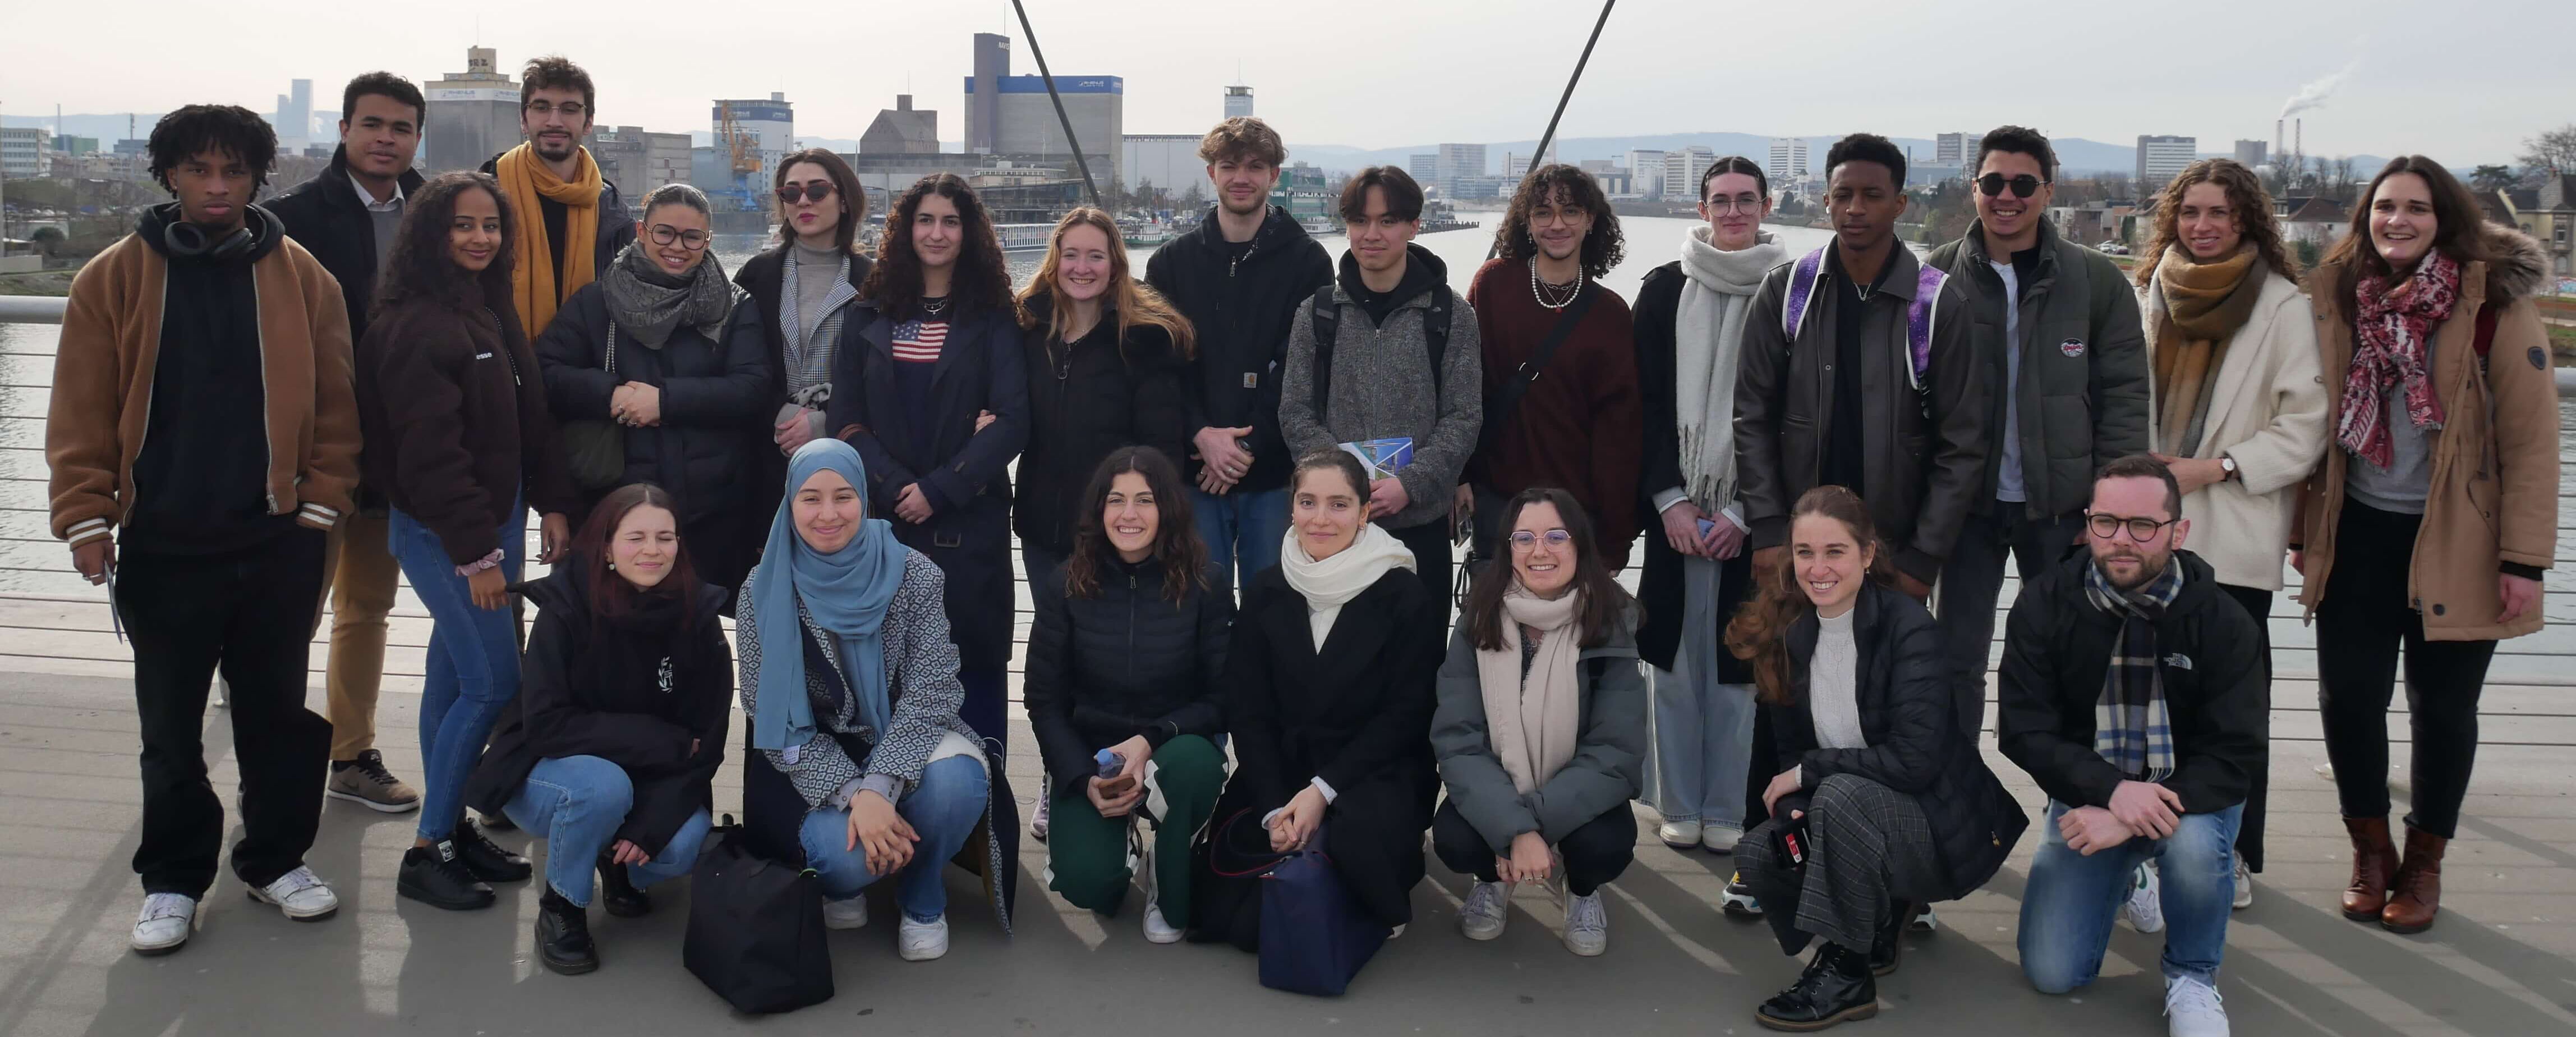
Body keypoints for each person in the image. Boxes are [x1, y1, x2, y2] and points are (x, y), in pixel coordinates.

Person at [48, 104, 359, 954]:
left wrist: (321, 507)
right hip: (162, 542)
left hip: (277, 540)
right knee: (170, 727)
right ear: (171, 176)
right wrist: (85, 515)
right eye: (198, 172)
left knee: (277, 719)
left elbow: (337, 407)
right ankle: (175, 880)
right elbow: (79, 410)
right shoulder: (112, 279)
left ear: (259, 178)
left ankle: (272, 860)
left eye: (233, 173)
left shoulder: (305, 279)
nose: (216, 189)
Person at [2295, 157, 2560, 935]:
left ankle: (2425, 862)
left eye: (2415, 207)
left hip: (2462, 540)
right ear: (2365, 216)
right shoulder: (2339, 296)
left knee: (2443, 710)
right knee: (2349, 698)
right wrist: (2301, 529)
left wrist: (2525, 562)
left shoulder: (2492, 305)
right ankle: (2368, 849)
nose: (2397, 221)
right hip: (2360, 530)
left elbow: (2532, 442)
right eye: (2384, 207)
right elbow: (2310, 422)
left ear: (2445, 217)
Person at [1723, 485, 2027, 1032]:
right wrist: (1794, 807)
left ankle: (1846, 971)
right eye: (1804, 552)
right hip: (1859, 821)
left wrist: (1806, 775)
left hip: (1935, 828)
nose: (1817, 568)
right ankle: (1877, 918)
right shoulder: (1790, 635)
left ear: (1866, 554)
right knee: (1766, 852)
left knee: (1837, 794)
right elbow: (1794, 752)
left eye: (1834, 552)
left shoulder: (1909, 630)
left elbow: (1913, 762)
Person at [356, 171, 578, 910]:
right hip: (445, 531)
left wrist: (549, 502)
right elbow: (428, 457)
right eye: (462, 225)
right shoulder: (414, 325)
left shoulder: (486, 309)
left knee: (454, 675)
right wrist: (478, 555)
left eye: (491, 225)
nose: (480, 238)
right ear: (430, 234)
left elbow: (530, 418)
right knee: (494, 682)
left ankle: (448, 826)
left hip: (499, 517)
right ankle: (428, 851)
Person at [1999, 456, 2266, 1037]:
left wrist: (2136, 811)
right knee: (2051, 971)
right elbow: (2023, 731)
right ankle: (2132, 877)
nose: (2121, 540)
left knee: (2195, 847)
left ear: (2178, 531)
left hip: (2189, 796)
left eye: (2142, 525)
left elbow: (2235, 754)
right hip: (2088, 793)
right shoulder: (2044, 605)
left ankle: (2192, 976)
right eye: (2106, 522)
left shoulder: (2225, 621)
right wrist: (2111, 793)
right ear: (2087, 524)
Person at [2132, 158, 2327, 907]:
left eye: (2220, 213)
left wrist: (2213, 467)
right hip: (2146, 536)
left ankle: (2234, 852)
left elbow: (2305, 427)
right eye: (2191, 213)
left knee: (2231, 709)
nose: (2203, 226)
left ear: (2247, 221)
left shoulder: (2281, 306)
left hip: (2233, 529)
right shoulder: (2149, 292)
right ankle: (2148, 848)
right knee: (2144, 700)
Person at [736, 439, 1012, 961]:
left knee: (956, 787)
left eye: (843, 497)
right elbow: (770, 714)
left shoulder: (915, 573)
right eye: (811, 499)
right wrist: (850, 792)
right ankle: (845, 887)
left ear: (864, 498)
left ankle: (922, 893)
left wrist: (879, 789)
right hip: (811, 757)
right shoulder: (761, 591)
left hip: (903, 734)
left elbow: (933, 690)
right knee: (844, 861)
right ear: (789, 503)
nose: (828, 514)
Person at [1926, 125, 2150, 740]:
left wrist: (2107, 510)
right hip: (1967, 510)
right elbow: (1912, 403)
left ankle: (2071, 800)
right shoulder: (1936, 278)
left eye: (2022, 184)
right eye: (1992, 183)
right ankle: (1954, 802)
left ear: (2047, 191)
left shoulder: (2095, 282)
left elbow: (2125, 400)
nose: (2006, 196)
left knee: (2067, 658)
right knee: (1953, 662)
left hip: (2061, 511)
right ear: (1973, 189)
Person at [461, 483, 732, 974]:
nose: (652, 550)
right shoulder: (565, 607)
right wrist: (658, 739)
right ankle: (562, 906)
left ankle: (615, 858)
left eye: (665, 538)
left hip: (647, 778)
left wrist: (653, 822)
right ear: (606, 546)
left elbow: (707, 741)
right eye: (636, 538)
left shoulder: (699, 617)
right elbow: (545, 726)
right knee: (601, 789)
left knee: (681, 846)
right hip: (547, 771)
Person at [1190, 448, 1445, 949]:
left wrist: (1322, 792)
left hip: (1374, 772)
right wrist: (1271, 808)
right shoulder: (1267, 589)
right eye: (1308, 503)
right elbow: (1250, 709)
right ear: (1291, 509)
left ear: (1365, 512)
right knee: (1229, 920)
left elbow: (1407, 715)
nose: (1321, 519)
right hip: (1283, 769)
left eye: (1339, 505)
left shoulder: (1404, 595)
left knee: (1355, 851)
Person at [265, 71, 430, 814]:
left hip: (395, 449)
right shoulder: (290, 219)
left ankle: (351, 754)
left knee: (366, 605)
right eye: (373, 124)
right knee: (287, 607)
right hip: (311, 449)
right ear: (344, 129)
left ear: (416, 137)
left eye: (401, 127)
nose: (386, 138)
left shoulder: (438, 213)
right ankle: (269, 748)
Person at [1735, 134, 1985, 605]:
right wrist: (1768, 529)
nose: (1855, 208)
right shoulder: (1786, 293)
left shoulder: (1937, 305)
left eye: (1873, 196)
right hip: (1799, 544)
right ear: (1826, 200)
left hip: (1894, 550)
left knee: (1887, 675)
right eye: (1844, 195)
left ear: (1900, 204)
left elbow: (1963, 445)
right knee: (1790, 672)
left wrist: (1924, 557)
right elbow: (1752, 416)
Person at [827, 173, 1029, 754]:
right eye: (924, 220)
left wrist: (938, 490)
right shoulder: (867, 315)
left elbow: (1013, 420)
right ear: (904, 229)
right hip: (883, 529)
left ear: (969, 233)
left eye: (950, 221)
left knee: (976, 683)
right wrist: (894, 487)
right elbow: (846, 420)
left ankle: (985, 828)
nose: (936, 233)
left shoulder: (995, 317)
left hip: (968, 531)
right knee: (884, 685)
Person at [1632, 155, 1788, 859]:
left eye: (1744, 200)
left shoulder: (1789, 293)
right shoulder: (1664, 291)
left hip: (1743, 515)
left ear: (1764, 206)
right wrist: (1667, 500)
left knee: (1737, 667)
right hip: (1673, 508)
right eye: (1719, 200)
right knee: (1670, 663)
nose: (1732, 212)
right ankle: (1676, 802)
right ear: (1700, 208)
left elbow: (1792, 415)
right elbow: (1644, 404)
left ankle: (1727, 804)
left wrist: (1744, 514)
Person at [1024, 447, 1231, 943]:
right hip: (1096, 757)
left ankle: (1168, 865)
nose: (1129, 515)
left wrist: (1151, 739)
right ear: (1099, 509)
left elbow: (1226, 695)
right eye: (1116, 500)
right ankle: (1116, 847)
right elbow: (1043, 699)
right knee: (1089, 884)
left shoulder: (1207, 582)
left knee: (1191, 768)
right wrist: (1078, 776)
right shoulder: (1065, 583)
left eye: (1145, 500)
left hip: (1172, 748)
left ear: (1168, 509)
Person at [1432, 489, 1646, 957]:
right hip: (1500, 787)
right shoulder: (1478, 621)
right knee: (1454, 838)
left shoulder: (1610, 622)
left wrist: (1530, 830)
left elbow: (1615, 752)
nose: (1539, 550)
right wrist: (1514, 829)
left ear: (1579, 546)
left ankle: (1582, 888)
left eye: (1555, 536)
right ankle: (1492, 879)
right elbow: (1458, 741)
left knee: (1604, 845)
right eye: (1523, 538)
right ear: (1508, 549)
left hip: (1579, 793)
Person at [534, 183, 770, 598]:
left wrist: (663, 402)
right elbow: (547, 371)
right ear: (641, 232)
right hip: (617, 506)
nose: (677, 246)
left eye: (692, 236)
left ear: (707, 241)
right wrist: (611, 395)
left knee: (700, 630)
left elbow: (751, 388)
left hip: (711, 507)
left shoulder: (736, 307)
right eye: (665, 233)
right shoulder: (597, 303)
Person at [1278, 166, 1483, 610]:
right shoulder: (1317, 313)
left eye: (1387, 221)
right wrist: (1341, 489)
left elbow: (1464, 416)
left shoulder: (1451, 316)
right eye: (1359, 221)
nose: (1371, 234)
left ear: (1414, 226)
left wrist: (1411, 483)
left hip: (1419, 526)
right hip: (1333, 531)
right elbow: (1295, 412)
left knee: (1417, 665)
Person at [1143, 117, 1335, 594]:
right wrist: (1200, 434)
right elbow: (1160, 369)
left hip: (1271, 475)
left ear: (1274, 175)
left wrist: (1247, 447)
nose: (1241, 177)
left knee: (1272, 611)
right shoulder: (1169, 264)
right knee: (1198, 610)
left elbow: (1302, 368)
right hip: (1193, 472)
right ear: (1212, 174)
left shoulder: (1308, 262)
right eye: (1229, 166)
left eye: (1255, 166)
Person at [1462, 164, 1641, 570]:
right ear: (1527, 221)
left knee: (1572, 634)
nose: (1556, 224)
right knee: (1493, 631)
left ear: (1590, 220)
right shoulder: (1493, 286)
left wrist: (1615, 541)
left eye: (1571, 211)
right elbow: (1462, 389)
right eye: (1543, 212)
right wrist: (1459, 478)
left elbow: (1620, 435)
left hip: (1576, 516)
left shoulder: (1611, 314)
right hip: (1497, 505)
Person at [1012, 207, 1195, 584]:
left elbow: (1162, 450)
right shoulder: (1028, 333)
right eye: (1072, 255)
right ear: (1055, 261)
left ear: (1114, 265)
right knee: (1049, 639)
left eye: (1096, 256)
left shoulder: (1144, 342)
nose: (1083, 268)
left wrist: (1143, 519)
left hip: (1113, 533)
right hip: (1040, 530)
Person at [733, 148, 876, 531]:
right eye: (790, 193)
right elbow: (734, 362)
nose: (803, 202)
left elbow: (884, 377)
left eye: (817, 191)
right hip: (767, 453)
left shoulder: (875, 281)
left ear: (844, 200)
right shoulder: (757, 275)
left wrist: (827, 421)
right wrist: (780, 415)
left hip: (848, 455)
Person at [480, 54, 637, 337]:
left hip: (582, 364)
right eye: (541, 107)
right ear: (524, 120)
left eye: (569, 109)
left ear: (588, 122)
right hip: (501, 364)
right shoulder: (484, 196)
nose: (554, 121)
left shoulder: (612, 210)